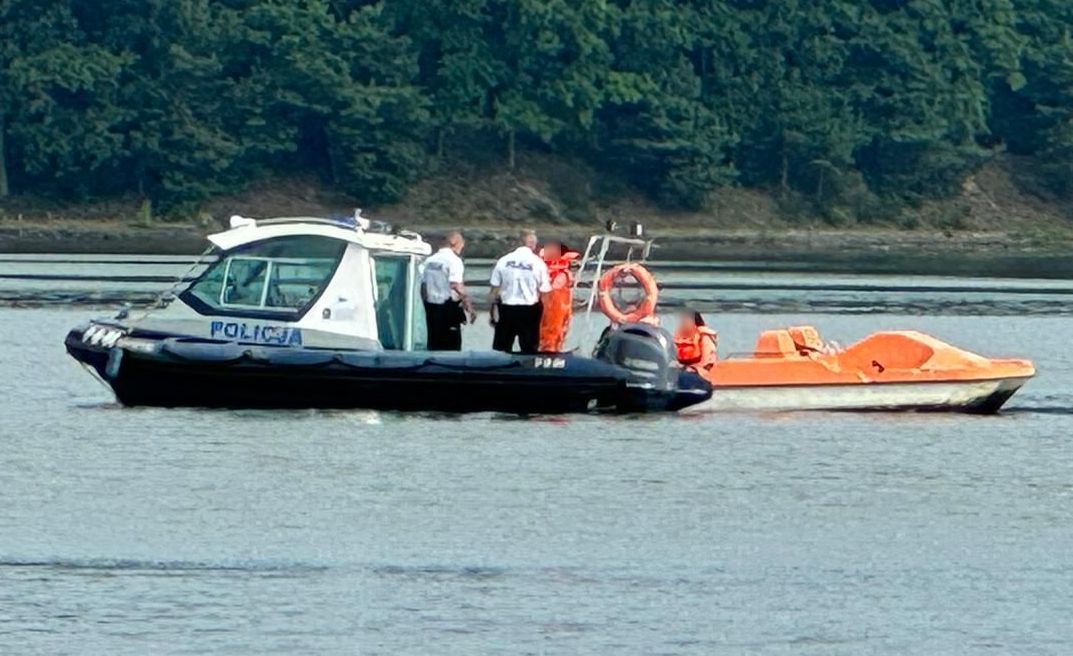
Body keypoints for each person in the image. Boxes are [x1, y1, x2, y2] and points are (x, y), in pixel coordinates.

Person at [489, 229, 551, 354]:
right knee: (529, 349)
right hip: (529, 311)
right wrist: (546, 318)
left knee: (501, 349)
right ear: (533, 244)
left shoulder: (503, 261)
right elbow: (545, 292)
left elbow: (494, 291)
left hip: (507, 309)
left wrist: (492, 314)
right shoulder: (538, 263)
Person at [421, 231, 475, 351]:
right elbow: (456, 285)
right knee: (452, 344)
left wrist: (425, 306)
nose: (462, 248)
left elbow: (423, 288)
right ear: (454, 243)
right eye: (461, 245)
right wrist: (469, 306)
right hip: (449, 307)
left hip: (432, 308)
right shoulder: (454, 260)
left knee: (434, 342)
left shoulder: (430, 260)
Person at [538, 240, 579, 352]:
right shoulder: (561, 275)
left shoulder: (546, 272)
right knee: (553, 331)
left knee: (553, 330)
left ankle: (550, 349)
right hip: (555, 308)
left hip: (551, 307)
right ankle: (550, 351)